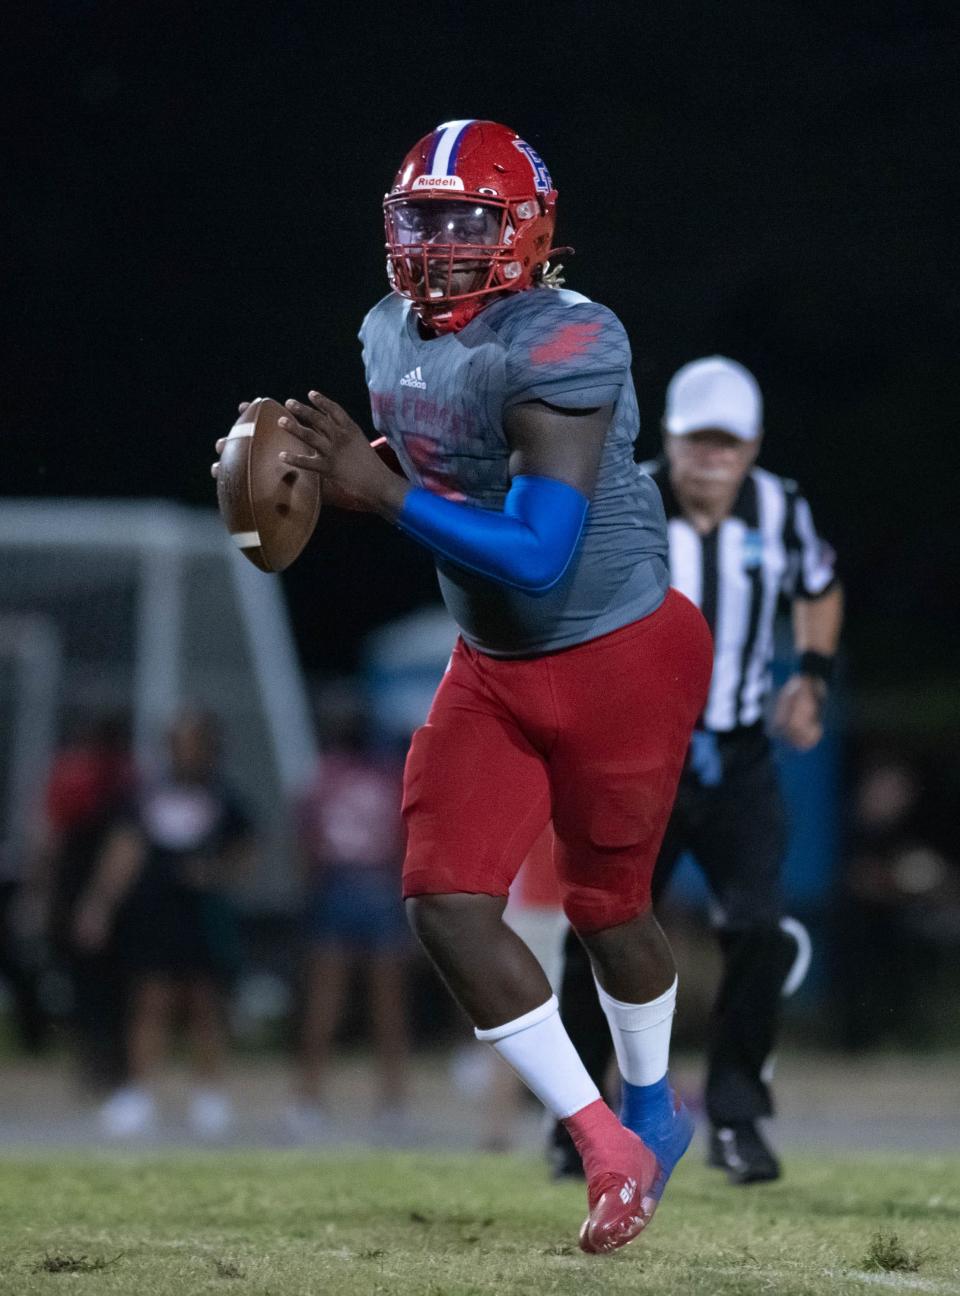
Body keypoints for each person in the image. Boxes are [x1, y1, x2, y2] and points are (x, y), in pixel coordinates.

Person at [214, 119, 712, 1253]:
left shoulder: (566, 338)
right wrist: (346, 481)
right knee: (443, 901)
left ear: (525, 231)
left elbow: (539, 548)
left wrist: (378, 495)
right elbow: (437, 468)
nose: (437, 242)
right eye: (421, 216)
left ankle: (650, 1102)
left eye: (466, 219)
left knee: (607, 911)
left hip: (619, 653)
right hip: (489, 661)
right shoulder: (386, 330)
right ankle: (604, 1141)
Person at [551, 356, 843, 1184]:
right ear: (669, 439)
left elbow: (820, 584)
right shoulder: (630, 503)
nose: (711, 459)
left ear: (750, 447)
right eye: (696, 441)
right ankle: (581, 1112)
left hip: (740, 753)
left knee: (756, 927)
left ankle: (738, 1117)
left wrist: (812, 675)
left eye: (727, 443)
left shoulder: (781, 507)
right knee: (601, 932)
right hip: (642, 755)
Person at [73, 709, 255, 1138]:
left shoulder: (224, 796)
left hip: (203, 915)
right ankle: (137, 1094)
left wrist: (216, 874)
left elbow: (247, 848)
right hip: (154, 913)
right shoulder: (146, 795)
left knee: (205, 1005)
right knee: (150, 1002)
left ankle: (209, 1096)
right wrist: (99, 904)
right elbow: (123, 852)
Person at [287, 685, 410, 1136]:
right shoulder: (388, 775)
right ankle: (391, 1101)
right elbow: (403, 838)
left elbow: (307, 843)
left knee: (326, 1000)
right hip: (377, 885)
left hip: (340, 885)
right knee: (386, 1003)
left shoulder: (322, 777)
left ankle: (309, 1099)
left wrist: (310, 894)